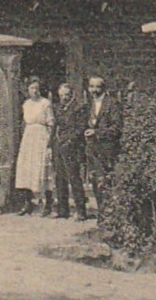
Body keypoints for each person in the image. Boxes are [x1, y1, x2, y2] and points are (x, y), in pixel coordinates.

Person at [83, 76, 124, 218]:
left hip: (107, 149)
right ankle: (102, 214)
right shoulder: (89, 105)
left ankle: (111, 215)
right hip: (93, 150)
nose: (94, 90)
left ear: (104, 88)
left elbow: (117, 128)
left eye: (98, 87)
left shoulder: (112, 104)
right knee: (95, 181)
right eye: (92, 87)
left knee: (108, 182)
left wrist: (97, 132)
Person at [51, 81, 91, 221]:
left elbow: (80, 128)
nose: (64, 98)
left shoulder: (79, 108)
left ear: (72, 94)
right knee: (60, 178)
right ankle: (63, 209)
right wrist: (52, 145)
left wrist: (69, 141)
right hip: (59, 146)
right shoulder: (58, 109)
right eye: (61, 95)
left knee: (74, 178)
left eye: (67, 95)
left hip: (71, 147)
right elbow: (55, 127)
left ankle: (81, 210)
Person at [12, 77, 53, 215]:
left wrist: (49, 143)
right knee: (26, 169)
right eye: (31, 88)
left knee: (42, 168)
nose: (34, 91)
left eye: (37, 88)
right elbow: (24, 122)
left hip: (41, 136)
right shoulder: (26, 104)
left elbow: (51, 123)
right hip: (29, 137)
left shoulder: (45, 103)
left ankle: (47, 204)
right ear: (27, 90)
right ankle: (27, 203)